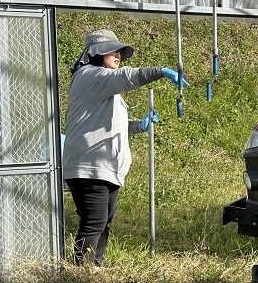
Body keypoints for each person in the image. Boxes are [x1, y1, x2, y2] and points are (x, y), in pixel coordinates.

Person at [63, 29, 188, 266]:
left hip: (105, 166)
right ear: (96, 53)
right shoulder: (91, 75)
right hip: (90, 165)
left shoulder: (100, 83)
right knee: (94, 222)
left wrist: (138, 126)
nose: (118, 54)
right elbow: (126, 77)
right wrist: (160, 71)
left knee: (103, 222)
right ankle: (79, 273)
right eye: (113, 50)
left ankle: (93, 270)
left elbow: (107, 124)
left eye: (120, 50)